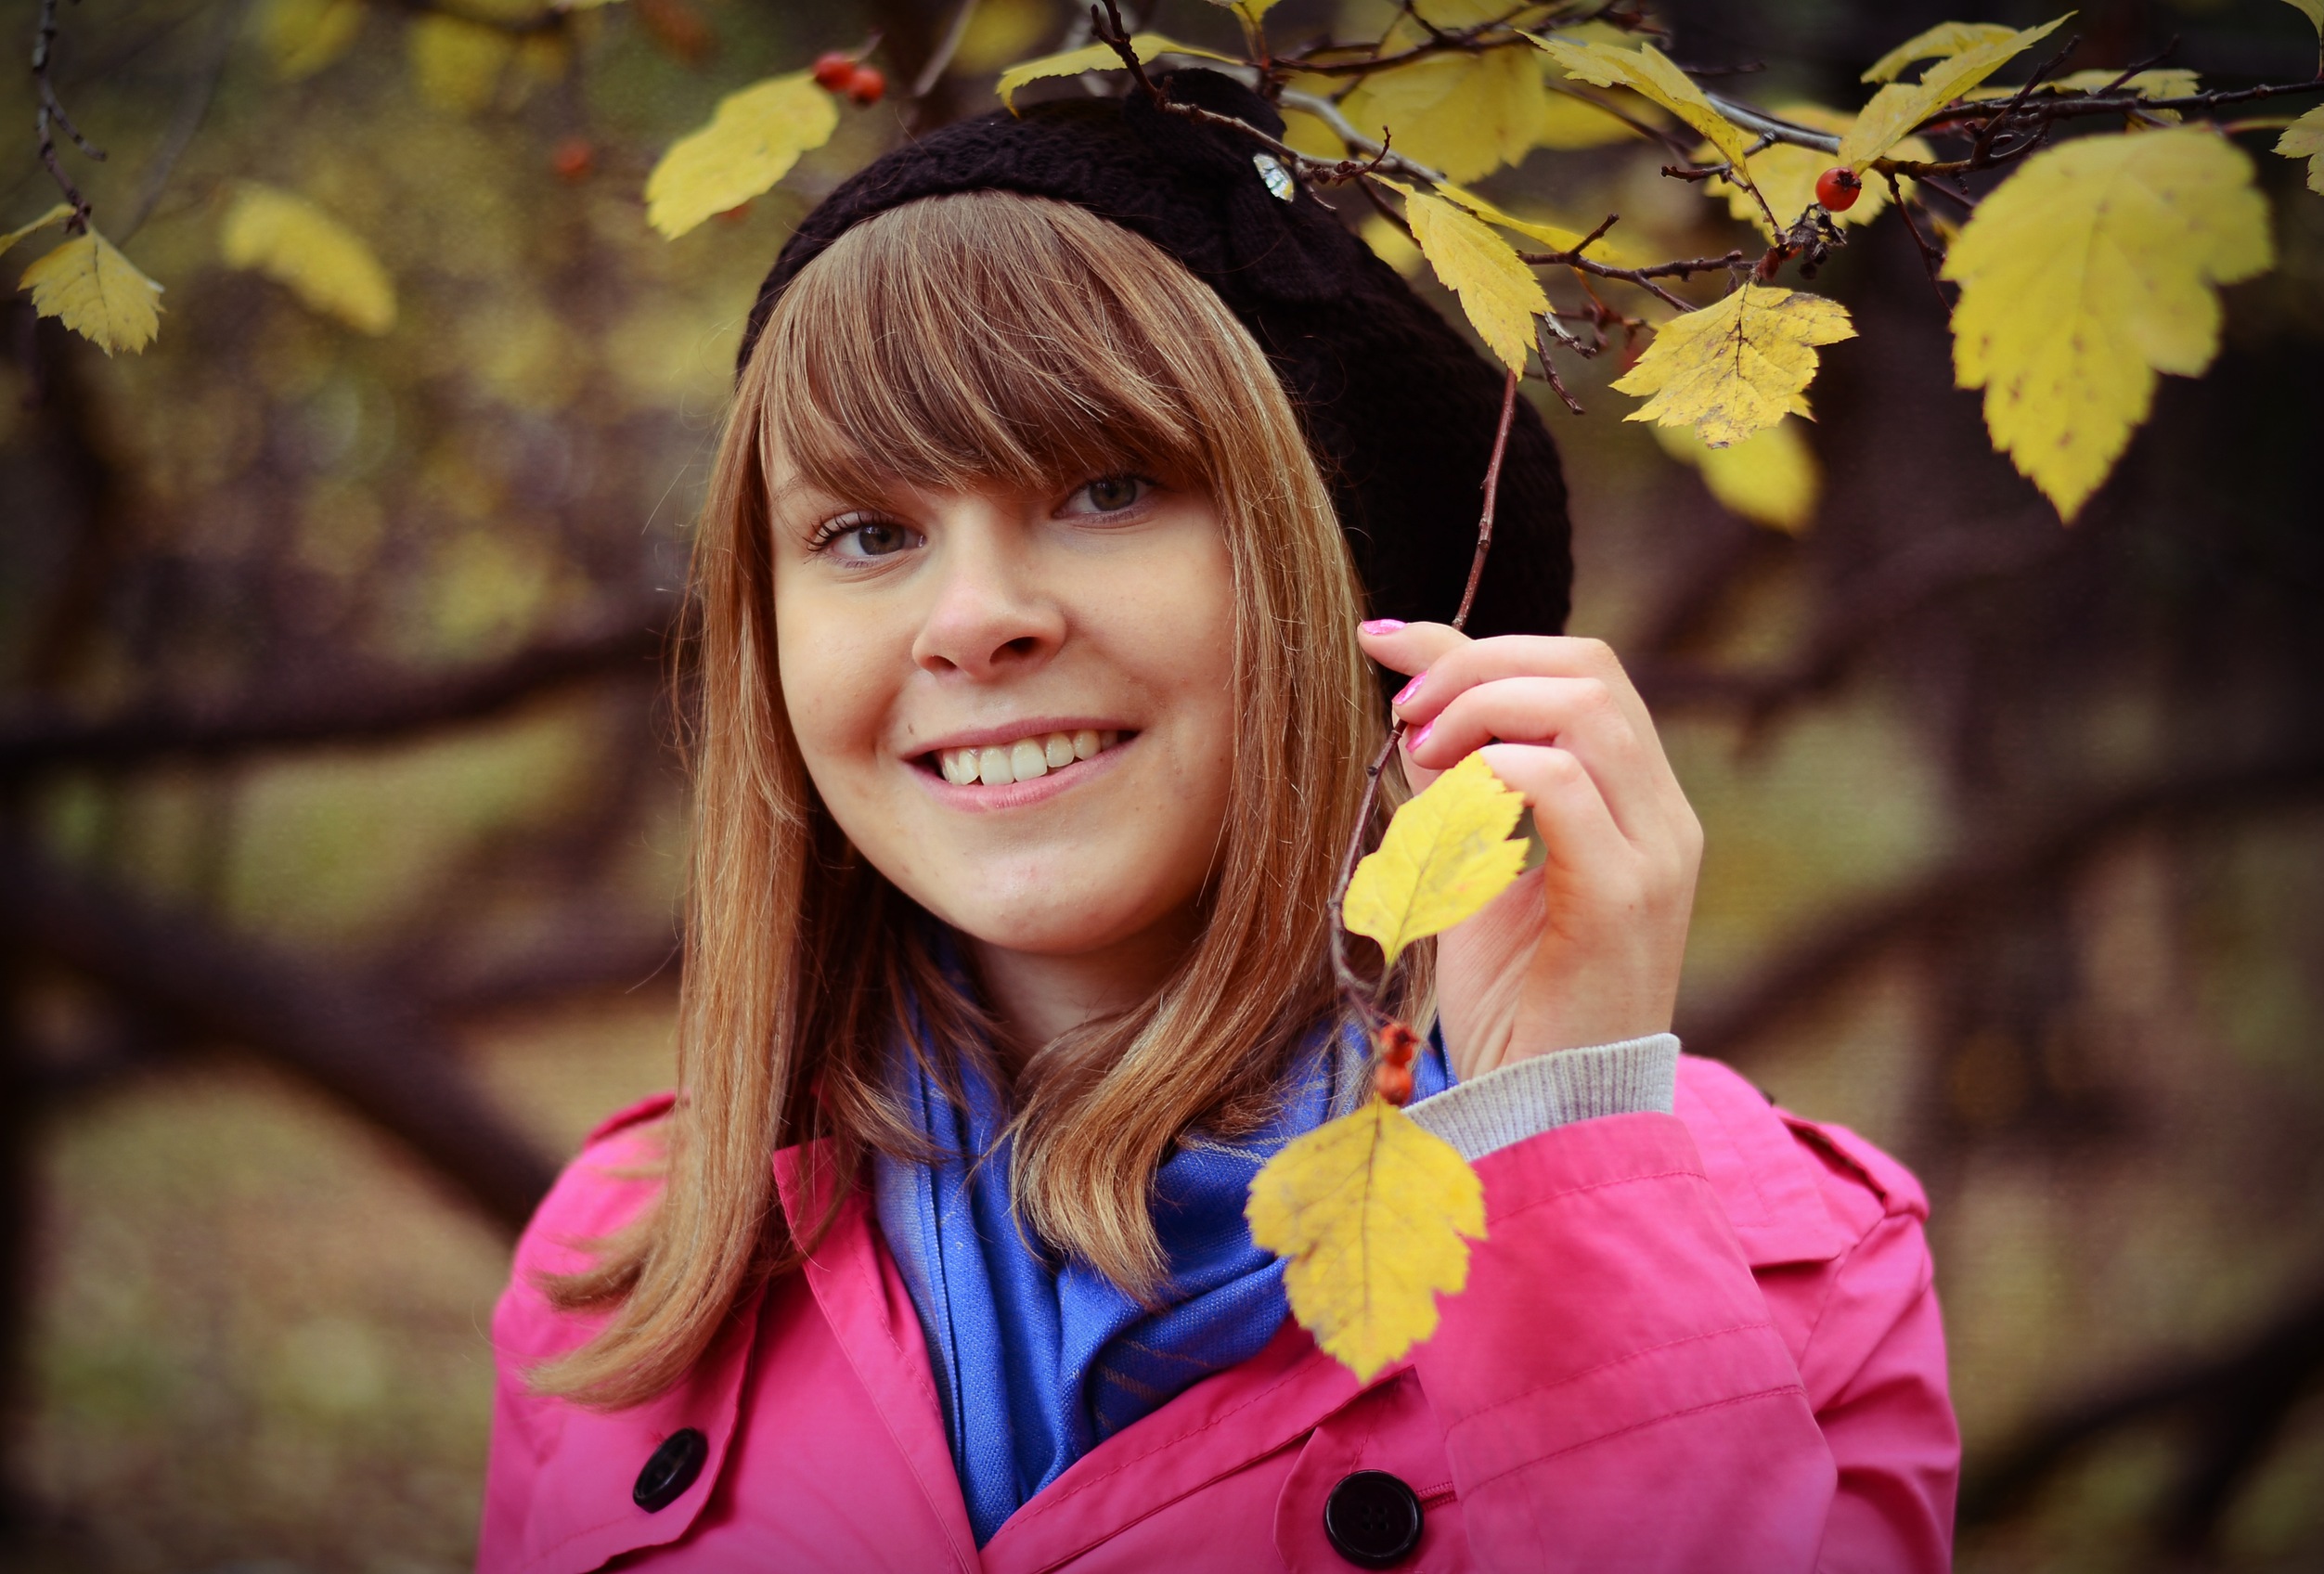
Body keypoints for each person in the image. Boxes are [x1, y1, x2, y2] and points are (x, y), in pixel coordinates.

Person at [475, 71, 1958, 1574]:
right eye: (867, 532)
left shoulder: (1798, 1270)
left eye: (1109, 489)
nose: (973, 620)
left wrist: (1559, 1154)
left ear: (1346, 587)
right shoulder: (626, 1260)